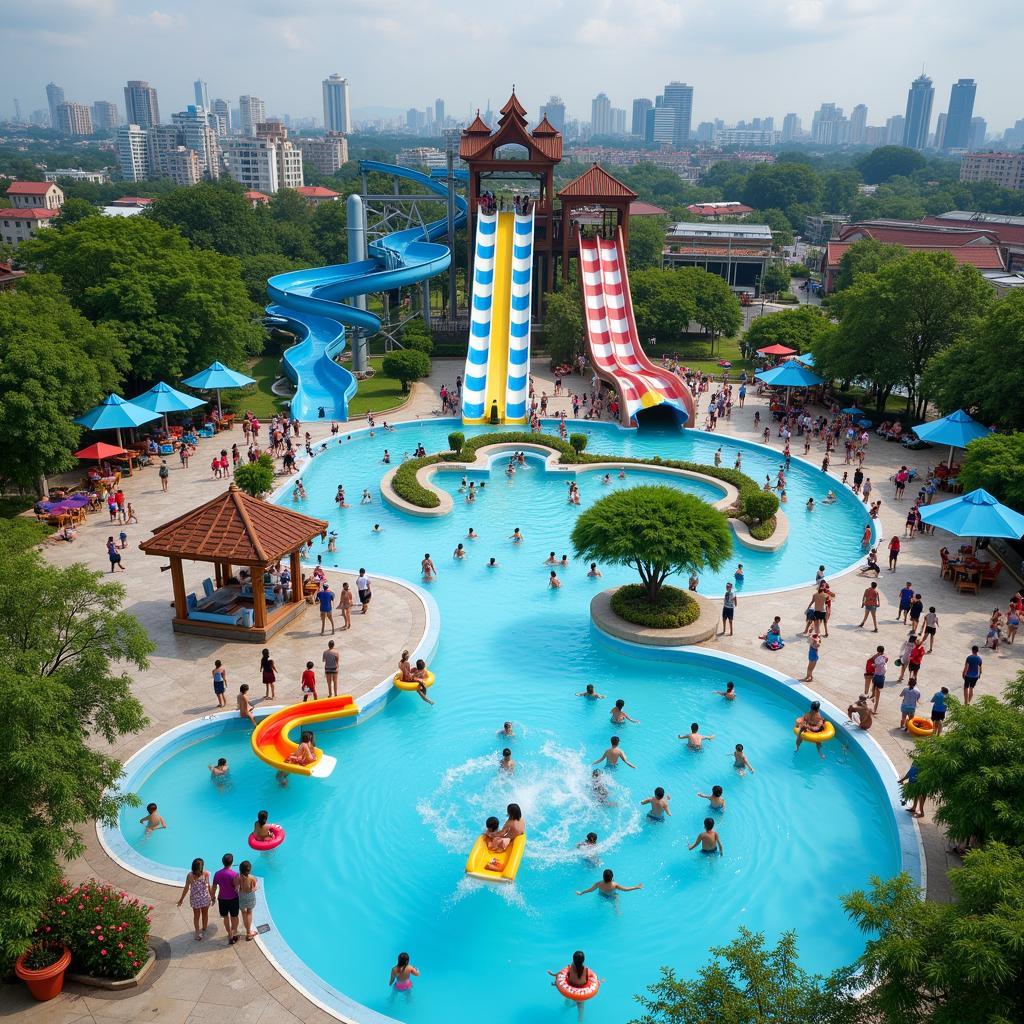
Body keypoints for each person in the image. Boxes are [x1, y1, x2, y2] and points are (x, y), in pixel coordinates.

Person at [177, 858, 213, 941]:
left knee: (196, 917)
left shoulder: (190, 875)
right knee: (205, 914)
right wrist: (212, 896)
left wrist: (181, 899)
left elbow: (186, 888)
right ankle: (204, 928)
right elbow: (209, 886)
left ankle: (197, 933)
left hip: (195, 900)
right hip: (204, 898)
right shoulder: (206, 874)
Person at [211, 853, 240, 945]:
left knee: (225, 917)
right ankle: (234, 932)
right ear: (232, 862)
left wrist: (213, 897)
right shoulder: (234, 874)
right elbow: (237, 888)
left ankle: (230, 934)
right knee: (234, 916)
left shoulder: (217, 874)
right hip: (233, 899)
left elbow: (214, 887)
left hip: (222, 899)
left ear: (222, 862)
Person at [576, 868, 642, 896]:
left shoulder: (598, 884)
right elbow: (625, 889)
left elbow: (590, 890)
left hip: (602, 895)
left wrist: (581, 893)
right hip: (612, 895)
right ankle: (617, 911)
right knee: (616, 897)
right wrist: (636, 887)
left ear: (603, 877)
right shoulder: (615, 885)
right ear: (612, 877)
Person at [870, 646, 888, 713]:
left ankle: (871, 707)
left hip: (876, 677)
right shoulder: (885, 657)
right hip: (881, 678)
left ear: (878, 651)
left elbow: (872, 662)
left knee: (873, 693)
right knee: (878, 694)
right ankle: (874, 710)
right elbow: (886, 659)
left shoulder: (876, 659)